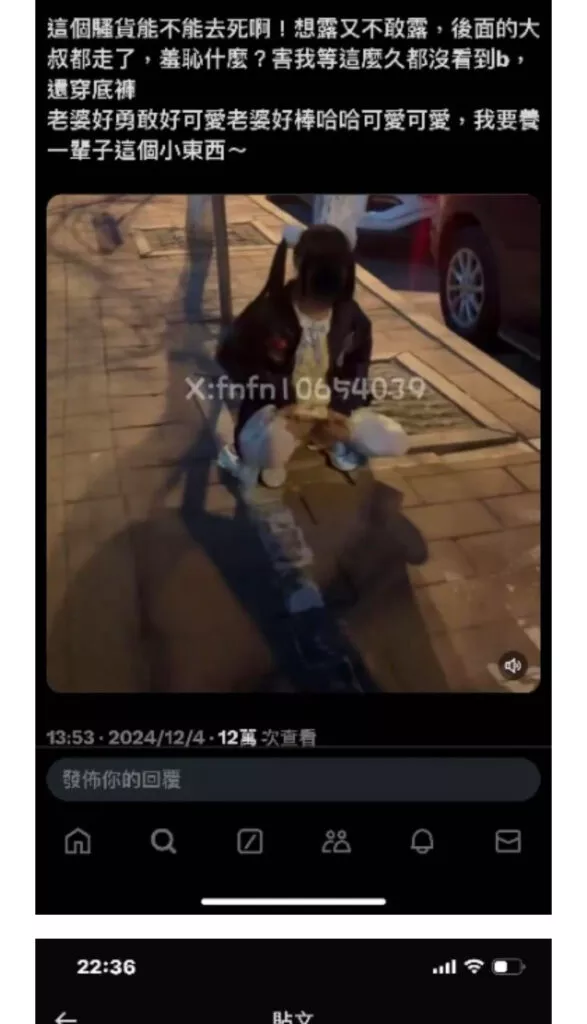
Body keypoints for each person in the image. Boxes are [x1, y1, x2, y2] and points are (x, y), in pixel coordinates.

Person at [216, 224, 409, 489]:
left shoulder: (349, 316)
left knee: (395, 441)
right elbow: (231, 356)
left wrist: (341, 409)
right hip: (283, 412)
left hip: (329, 409)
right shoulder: (268, 313)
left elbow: (357, 365)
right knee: (271, 448)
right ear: (298, 264)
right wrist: (284, 401)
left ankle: (328, 439)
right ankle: (276, 452)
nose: (324, 305)